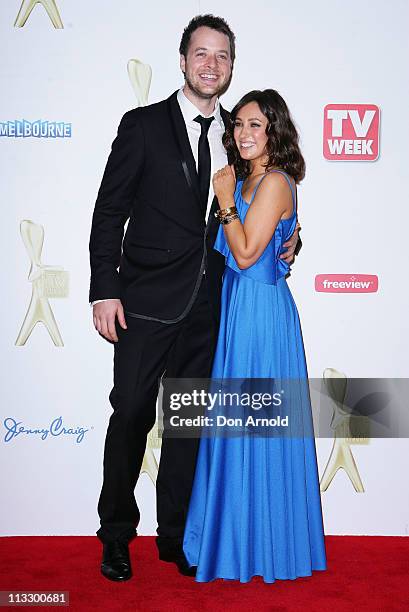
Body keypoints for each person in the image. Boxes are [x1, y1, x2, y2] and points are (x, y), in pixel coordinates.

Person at [89, 16, 300, 582]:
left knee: (186, 428)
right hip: (143, 303)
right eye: (202, 53)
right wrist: (104, 289)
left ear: (232, 67)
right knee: (131, 415)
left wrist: (292, 238)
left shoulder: (242, 132)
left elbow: (269, 203)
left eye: (223, 56)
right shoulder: (142, 126)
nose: (212, 64)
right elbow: (109, 212)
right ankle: (115, 535)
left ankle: (177, 536)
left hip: (211, 309)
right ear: (183, 60)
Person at [183, 90, 327, 582]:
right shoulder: (247, 178)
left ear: (275, 133)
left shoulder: (275, 183)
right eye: (239, 124)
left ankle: (265, 548)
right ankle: (239, 543)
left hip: (262, 317)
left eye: (256, 126)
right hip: (238, 311)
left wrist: (225, 201)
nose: (244, 133)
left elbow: (245, 255)